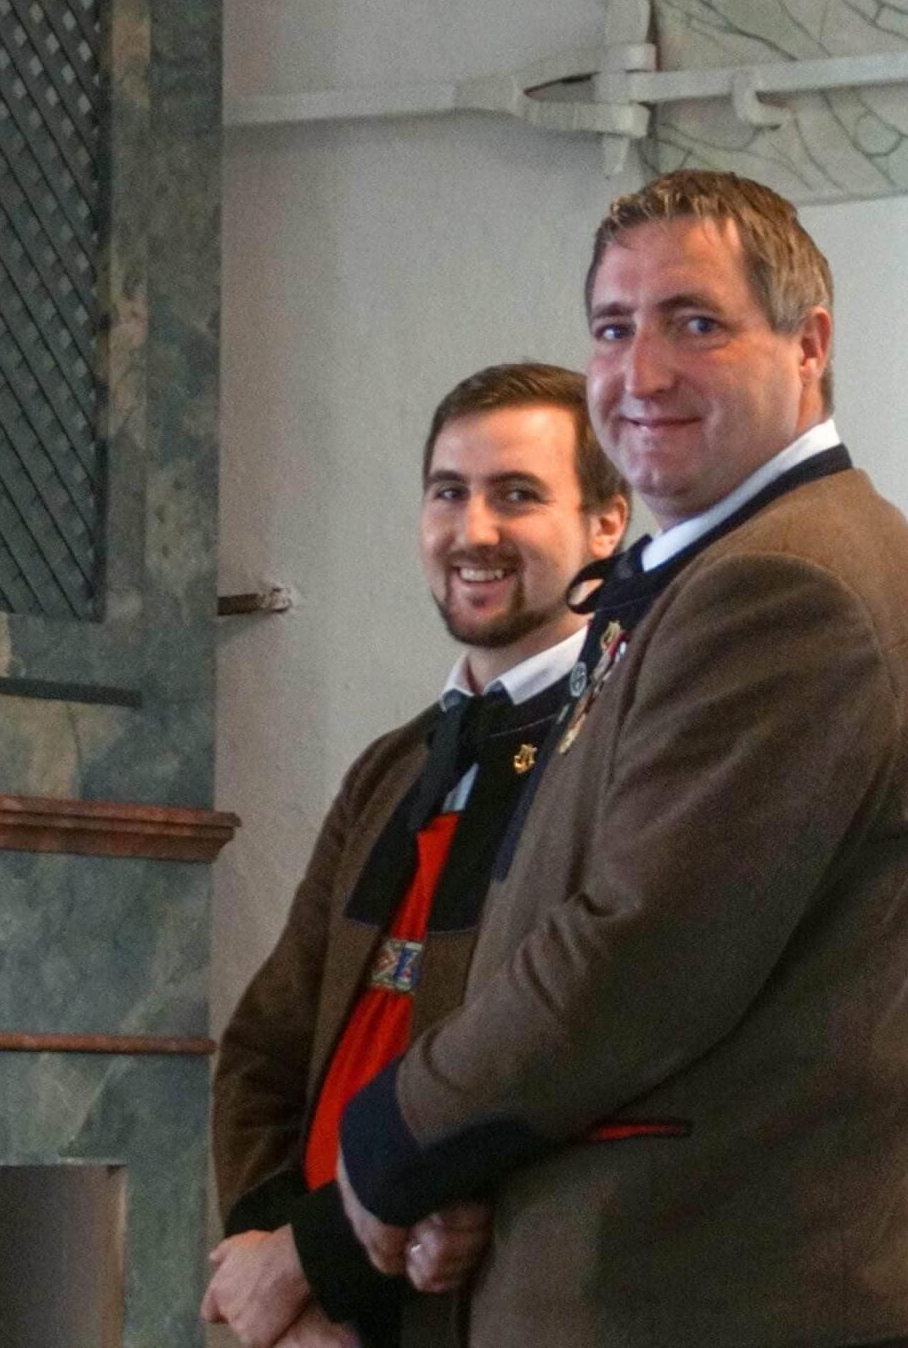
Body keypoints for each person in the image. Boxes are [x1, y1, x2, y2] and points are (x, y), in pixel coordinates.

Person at [336, 171, 908, 1348]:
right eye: (612, 328)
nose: (639, 374)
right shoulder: (715, 571)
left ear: (809, 344)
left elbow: (634, 963)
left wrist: (394, 1143)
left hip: (737, 1302)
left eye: (695, 323)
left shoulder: (786, 584)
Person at [204, 364, 629, 1348]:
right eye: (449, 492)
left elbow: (566, 1057)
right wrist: (281, 1269)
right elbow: (266, 1045)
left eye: (516, 494)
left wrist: (318, 1257)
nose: (473, 530)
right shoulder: (393, 768)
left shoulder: (626, 758)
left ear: (607, 524)